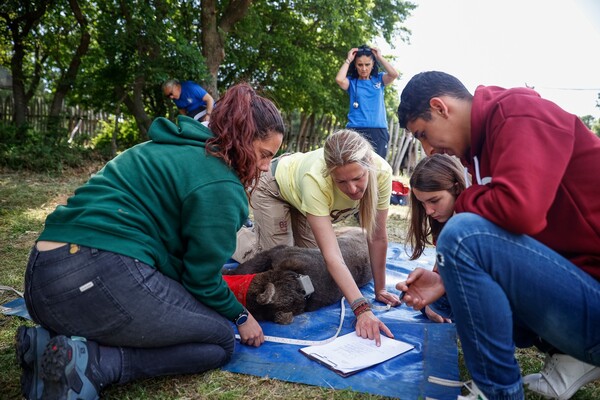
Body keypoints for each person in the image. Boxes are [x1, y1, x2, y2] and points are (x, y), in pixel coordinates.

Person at [15, 83, 285, 400]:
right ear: (241, 139)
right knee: (219, 340)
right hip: (96, 275)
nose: (266, 166)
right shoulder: (221, 184)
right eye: (265, 155)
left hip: (41, 282)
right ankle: (96, 365)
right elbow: (201, 279)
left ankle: (49, 344)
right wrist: (240, 315)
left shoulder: (161, 147)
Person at [396, 71, 600, 400]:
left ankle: (497, 392)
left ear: (440, 107)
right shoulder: (477, 154)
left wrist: (463, 203)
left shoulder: (517, 111)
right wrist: (444, 279)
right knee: (456, 261)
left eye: (423, 134)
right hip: (580, 295)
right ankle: (570, 356)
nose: (428, 149)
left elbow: (521, 210)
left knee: (461, 236)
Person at [249, 128, 401, 346]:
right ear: (330, 174)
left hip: (302, 199)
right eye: (341, 182)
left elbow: (377, 237)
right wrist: (361, 309)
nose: (352, 189)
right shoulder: (316, 179)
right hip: (273, 186)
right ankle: (243, 238)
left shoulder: (383, 173)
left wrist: (381, 289)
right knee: (279, 264)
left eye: (358, 178)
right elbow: (333, 257)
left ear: (369, 166)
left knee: (310, 272)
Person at [402, 153, 468, 324]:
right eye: (423, 203)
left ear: (456, 188)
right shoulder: (443, 218)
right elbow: (442, 260)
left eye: (434, 200)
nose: (428, 211)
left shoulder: (471, 219)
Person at [335, 45, 399, 159]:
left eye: (367, 64)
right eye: (360, 64)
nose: (364, 68)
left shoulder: (379, 79)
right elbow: (339, 79)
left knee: (377, 167)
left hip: (378, 130)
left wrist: (379, 57)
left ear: (373, 64)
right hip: (356, 130)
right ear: (355, 65)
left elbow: (394, 74)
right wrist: (348, 59)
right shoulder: (351, 82)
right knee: (354, 165)